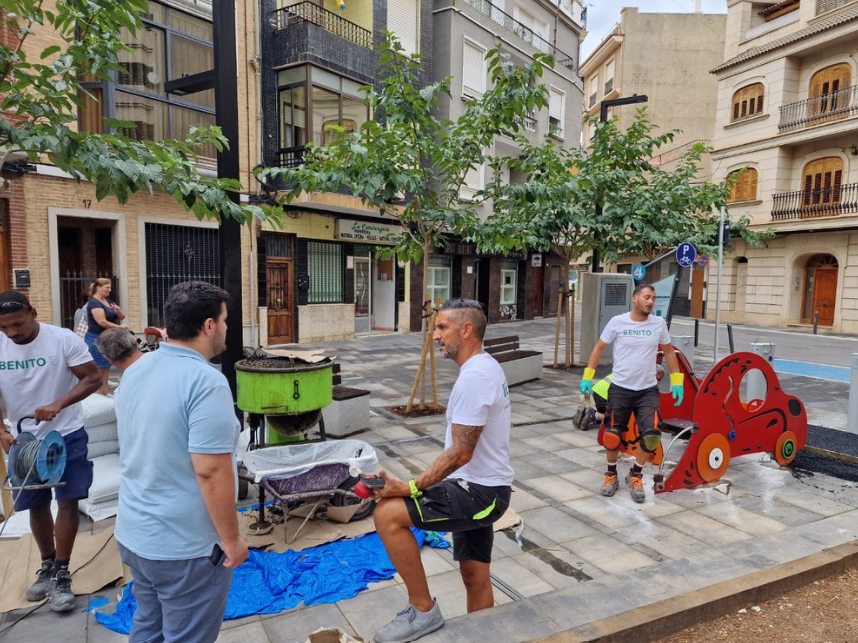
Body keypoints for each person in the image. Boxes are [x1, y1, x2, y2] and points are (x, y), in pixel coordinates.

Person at [372, 298, 512, 643]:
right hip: (482, 488)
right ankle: (483, 635)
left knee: (388, 513)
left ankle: (422, 610)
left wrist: (410, 486)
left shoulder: (475, 376)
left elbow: (461, 452)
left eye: (442, 327)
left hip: (478, 491)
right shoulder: (484, 366)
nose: (435, 335)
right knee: (474, 574)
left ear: (466, 330)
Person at [113, 281, 247, 643]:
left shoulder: (137, 369)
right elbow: (210, 470)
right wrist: (231, 539)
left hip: (136, 535)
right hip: (184, 548)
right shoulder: (206, 382)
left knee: (149, 623)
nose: (226, 328)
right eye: (224, 320)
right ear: (208, 326)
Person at [0, 291, 100, 611]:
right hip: (22, 441)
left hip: (65, 435)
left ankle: (62, 572)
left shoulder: (62, 339)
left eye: (17, 323)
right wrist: (1, 429)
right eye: (4, 328)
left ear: (33, 311)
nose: (12, 332)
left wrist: (59, 403)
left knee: (67, 503)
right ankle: (46, 566)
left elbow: (92, 378)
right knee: (35, 505)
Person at [579, 284, 684, 504]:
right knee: (612, 434)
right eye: (647, 297)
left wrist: (677, 381)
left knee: (652, 435)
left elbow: (668, 351)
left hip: (647, 390)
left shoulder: (658, 324)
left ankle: (635, 474)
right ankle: (611, 475)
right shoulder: (617, 322)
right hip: (620, 387)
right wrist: (587, 377)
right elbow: (599, 348)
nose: (651, 302)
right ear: (635, 298)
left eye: (653, 298)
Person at [573, 365, 665, 430]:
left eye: (660, 380)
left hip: (594, 392)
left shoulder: (632, 372)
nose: (657, 382)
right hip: (605, 396)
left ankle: (589, 410)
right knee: (620, 419)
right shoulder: (640, 380)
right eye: (657, 379)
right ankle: (594, 415)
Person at [85, 278, 125, 395]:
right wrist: (118, 327)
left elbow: (121, 317)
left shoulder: (107, 300)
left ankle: (104, 391)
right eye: (107, 287)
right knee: (100, 367)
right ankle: (99, 392)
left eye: (110, 287)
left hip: (106, 338)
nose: (110, 290)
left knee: (105, 367)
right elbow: (101, 322)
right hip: (96, 338)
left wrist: (117, 309)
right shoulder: (94, 302)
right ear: (98, 288)